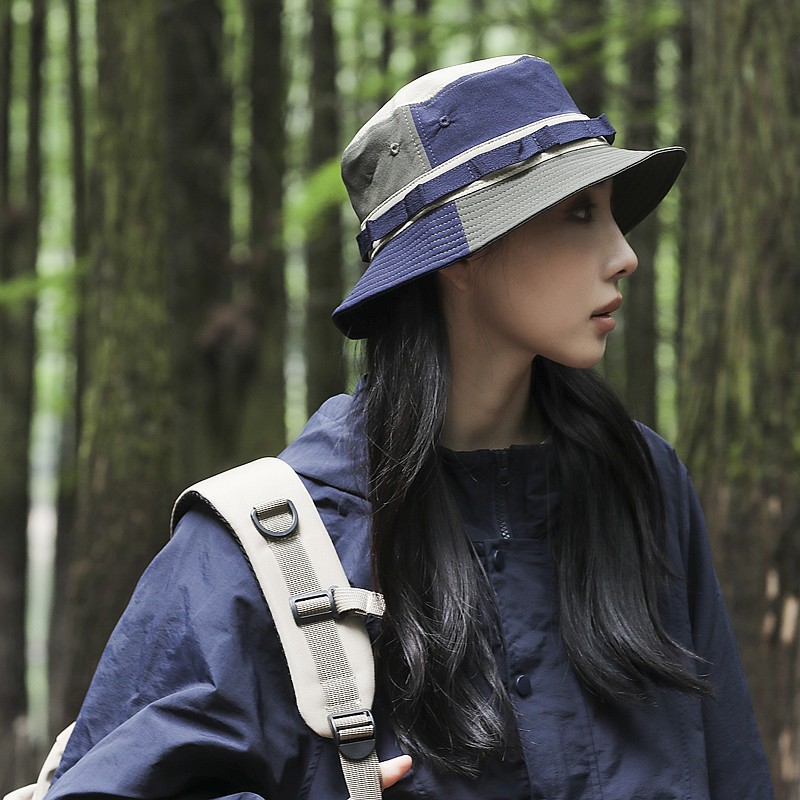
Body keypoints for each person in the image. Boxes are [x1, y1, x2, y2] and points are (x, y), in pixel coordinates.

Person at [46, 54, 773, 799]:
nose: (625, 255)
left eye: (612, 213)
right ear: (460, 257)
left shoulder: (643, 482)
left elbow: (735, 774)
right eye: (578, 213)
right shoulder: (273, 542)